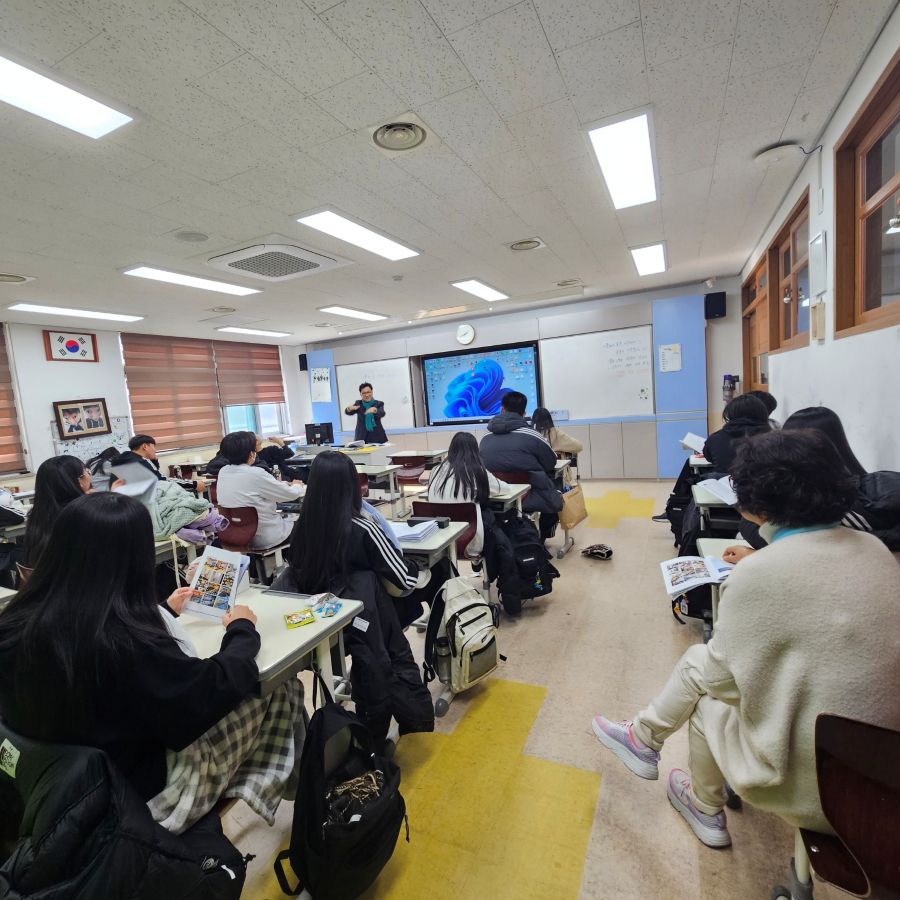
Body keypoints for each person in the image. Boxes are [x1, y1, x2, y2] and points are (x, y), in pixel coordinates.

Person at [592, 429, 900, 847]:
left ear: (755, 499)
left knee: (705, 684)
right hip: (883, 770)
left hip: (818, 790)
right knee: (707, 668)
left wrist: (759, 566)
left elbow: (724, 680)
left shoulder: (762, 575)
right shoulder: (875, 550)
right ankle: (642, 739)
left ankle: (699, 803)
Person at [0, 492, 305, 833]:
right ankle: (305, 796)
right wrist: (242, 631)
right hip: (135, 799)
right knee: (279, 686)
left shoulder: (17, 621)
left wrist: (161, 609)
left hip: (47, 790)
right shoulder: (122, 641)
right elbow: (203, 696)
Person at [272, 450, 433, 748]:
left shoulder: (301, 528)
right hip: (362, 628)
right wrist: (417, 568)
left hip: (321, 625)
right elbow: (403, 579)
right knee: (410, 588)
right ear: (350, 486)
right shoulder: (363, 527)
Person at [479, 391, 562, 541]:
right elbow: (550, 463)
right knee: (557, 487)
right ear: (524, 413)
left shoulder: (485, 438)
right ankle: (542, 538)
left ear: (502, 410)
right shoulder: (533, 435)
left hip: (495, 496)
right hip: (529, 496)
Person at [214, 431, 303, 550]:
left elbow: (254, 486)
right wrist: (297, 485)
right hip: (265, 537)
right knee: (306, 524)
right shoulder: (256, 473)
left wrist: (283, 483)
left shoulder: (223, 471)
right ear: (251, 453)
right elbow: (290, 495)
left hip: (236, 535)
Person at [427, 431, 509, 559]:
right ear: (475, 451)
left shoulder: (435, 470)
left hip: (437, 541)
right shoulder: (476, 471)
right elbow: (504, 489)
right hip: (469, 541)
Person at [24, 455, 92, 567]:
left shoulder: (38, 512)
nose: (89, 474)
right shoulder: (82, 512)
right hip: (79, 578)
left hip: (48, 578)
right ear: (79, 480)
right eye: (86, 471)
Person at [701, 394, 770, 473]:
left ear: (730, 414)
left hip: (725, 483)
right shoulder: (773, 439)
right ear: (762, 413)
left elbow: (709, 457)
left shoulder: (715, 438)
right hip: (763, 483)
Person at [117, 434, 207, 494]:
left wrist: (154, 460)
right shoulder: (141, 462)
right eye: (153, 446)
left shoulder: (125, 459)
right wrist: (194, 484)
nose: (155, 450)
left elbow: (154, 474)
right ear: (145, 446)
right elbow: (162, 481)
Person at [207, 434, 296, 479]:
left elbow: (289, 453)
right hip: (272, 479)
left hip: (282, 475)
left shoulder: (270, 450)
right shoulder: (249, 458)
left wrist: (279, 441)